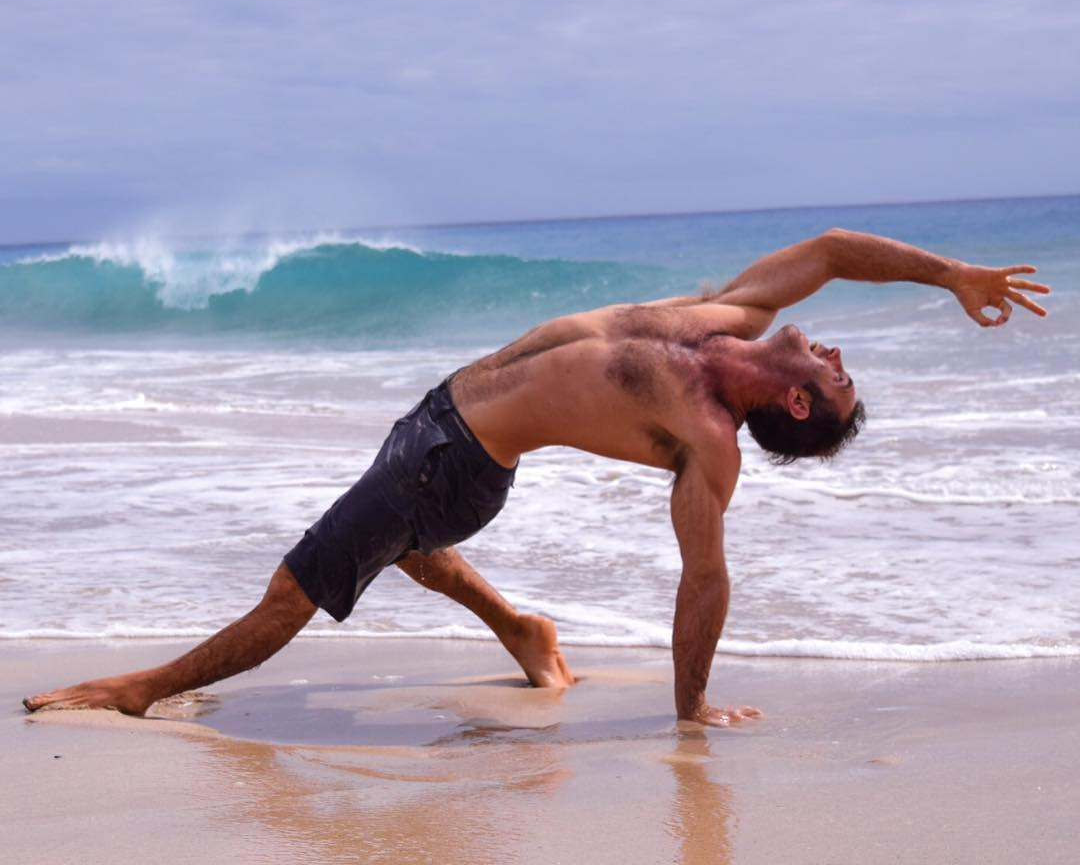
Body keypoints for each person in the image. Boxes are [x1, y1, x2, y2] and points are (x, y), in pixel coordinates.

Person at [23, 228, 1050, 726]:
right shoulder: (728, 316)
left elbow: (703, 576)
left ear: (795, 407)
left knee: (302, 585)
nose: (831, 355)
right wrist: (950, 274)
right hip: (441, 414)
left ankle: (139, 690)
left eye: (835, 377)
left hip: (454, 462)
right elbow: (830, 250)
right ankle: (524, 632)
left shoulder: (706, 437)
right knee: (410, 558)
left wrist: (689, 711)